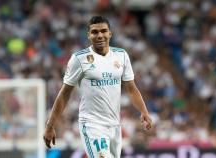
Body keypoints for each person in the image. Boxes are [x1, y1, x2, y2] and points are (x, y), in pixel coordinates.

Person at [43, 15, 152, 158]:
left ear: (110, 33)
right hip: (92, 124)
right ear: (88, 35)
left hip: (114, 125)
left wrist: (144, 111)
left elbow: (131, 88)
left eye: (103, 31)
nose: (100, 35)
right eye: (95, 32)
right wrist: (50, 126)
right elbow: (64, 94)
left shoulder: (121, 55)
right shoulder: (79, 59)